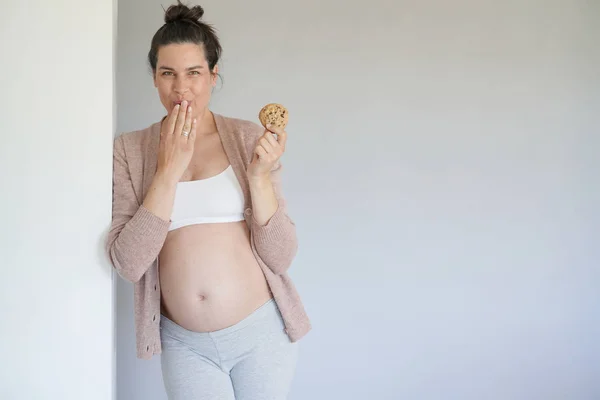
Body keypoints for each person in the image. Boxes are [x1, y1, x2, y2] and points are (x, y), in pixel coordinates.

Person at [105, 1, 311, 398]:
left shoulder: (248, 138)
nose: (181, 88)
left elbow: (281, 257)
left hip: (260, 335)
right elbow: (128, 263)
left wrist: (259, 177)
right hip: (186, 346)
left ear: (213, 77)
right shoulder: (129, 150)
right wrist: (167, 171)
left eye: (194, 73)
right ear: (154, 78)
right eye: (168, 73)